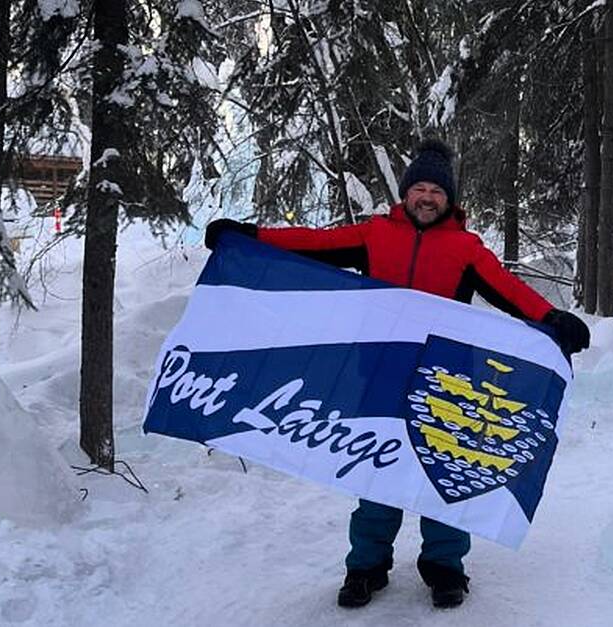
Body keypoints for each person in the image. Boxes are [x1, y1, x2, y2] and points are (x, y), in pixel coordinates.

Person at [204, 138, 590, 610]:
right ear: (405, 193)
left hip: (445, 379)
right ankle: (366, 567)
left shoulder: (466, 249)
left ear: (449, 200)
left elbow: (508, 289)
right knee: (376, 471)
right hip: (379, 372)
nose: (427, 197)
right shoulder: (375, 234)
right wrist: (249, 235)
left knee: (444, 469)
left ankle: (445, 567)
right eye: (420, 189)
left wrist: (552, 318)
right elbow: (313, 243)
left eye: (437, 192)